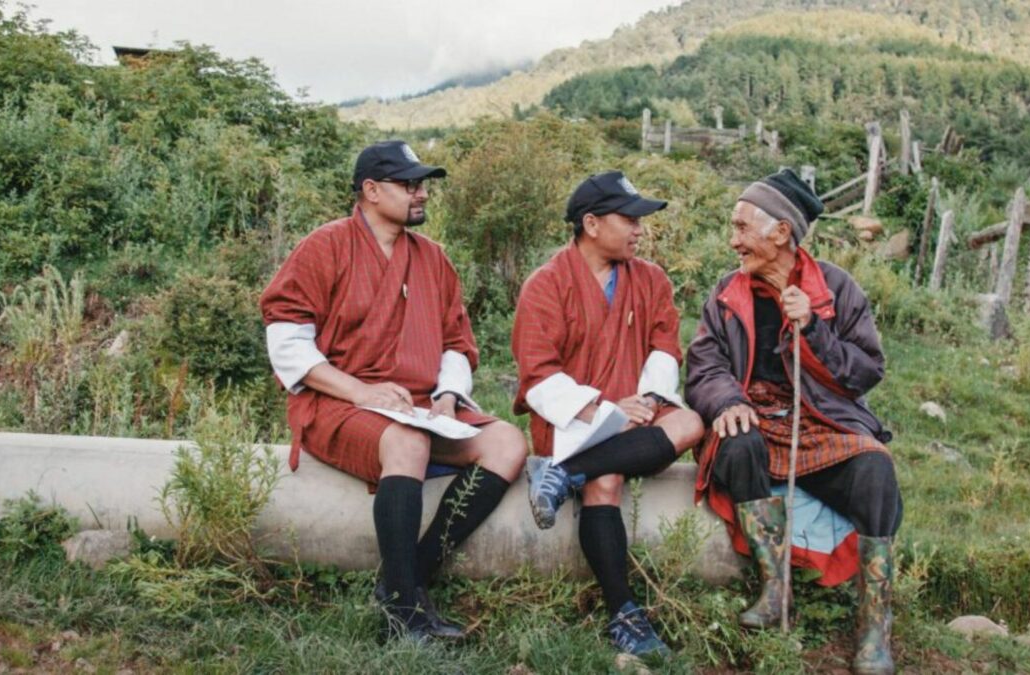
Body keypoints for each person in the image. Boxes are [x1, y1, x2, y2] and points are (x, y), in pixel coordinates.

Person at [259, 140, 527, 642]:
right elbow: (288, 343)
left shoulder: (433, 258)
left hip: (420, 407)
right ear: (371, 190)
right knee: (408, 442)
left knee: (508, 443)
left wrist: (448, 395)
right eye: (410, 185)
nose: (421, 193)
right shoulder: (325, 246)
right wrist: (362, 392)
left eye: (422, 184)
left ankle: (405, 580)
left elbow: (455, 342)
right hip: (338, 403)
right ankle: (404, 614)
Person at [685, 169, 901, 674]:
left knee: (875, 469)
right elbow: (704, 366)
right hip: (755, 416)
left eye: (742, 228)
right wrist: (726, 402)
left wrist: (816, 328)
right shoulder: (726, 293)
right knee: (736, 442)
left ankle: (874, 624)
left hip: (820, 420)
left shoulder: (836, 289)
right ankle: (774, 589)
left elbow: (865, 371)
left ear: (781, 232)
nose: (733, 240)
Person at [512, 171, 705, 659]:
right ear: (591, 224)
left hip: (636, 411)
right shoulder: (546, 284)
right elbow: (537, 374)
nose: (640, 229)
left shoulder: (651, 278)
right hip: (572, 418)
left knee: (689, 422)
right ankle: (623, 613)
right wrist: (599, 406)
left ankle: (562, 475)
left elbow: (664, 346)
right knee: (607, 481)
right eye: (630, 218)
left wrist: (649, 399)